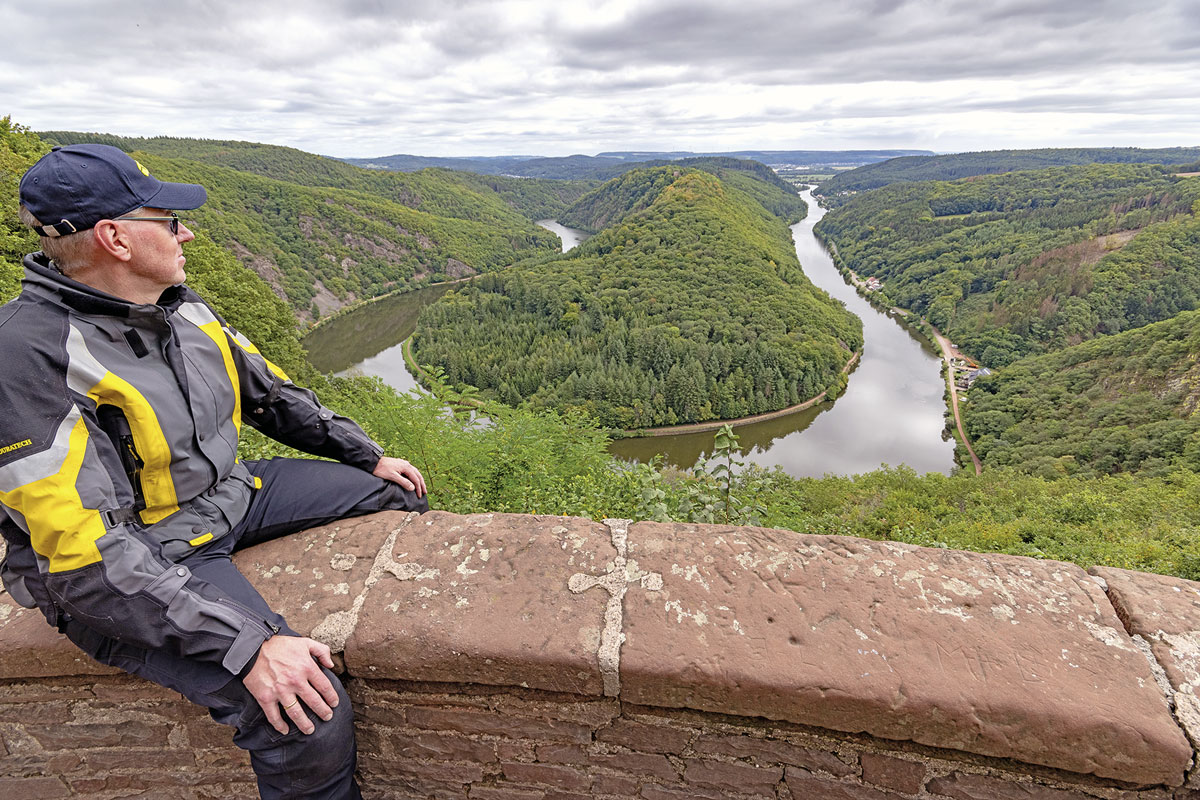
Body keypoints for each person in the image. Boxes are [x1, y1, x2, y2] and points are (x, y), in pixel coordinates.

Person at [0, 143, 429, 799]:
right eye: (170, 221)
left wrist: (364, 453)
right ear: (115, 238)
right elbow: (87, 556)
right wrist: (250, 645)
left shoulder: (178, 305)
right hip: (145, 551)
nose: (187, 234)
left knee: (397, 494)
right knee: (306, 716)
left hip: (227, 493)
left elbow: (269, 393)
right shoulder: (28, 355)